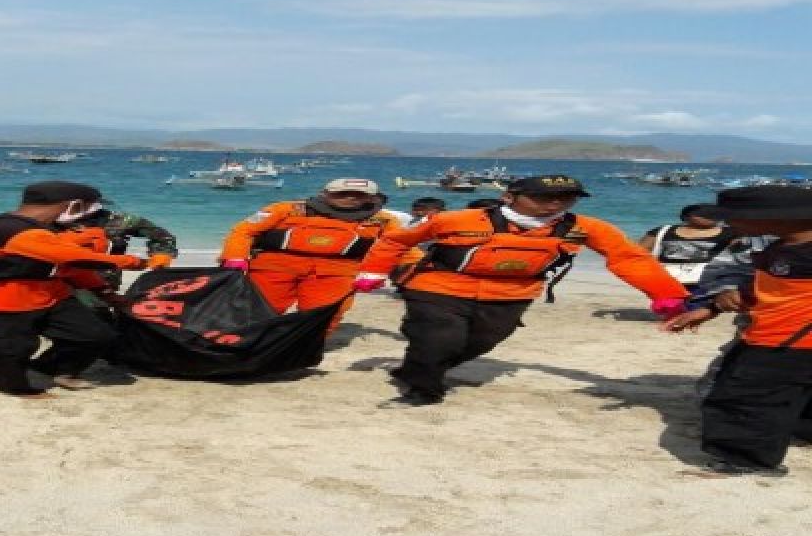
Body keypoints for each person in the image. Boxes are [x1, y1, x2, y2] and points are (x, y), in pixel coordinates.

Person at [354, 174, 689, 405]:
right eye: (542, 198)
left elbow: (628, 257)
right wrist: (373, 271)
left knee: (481, 342)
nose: (554, 204)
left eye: (566, 198)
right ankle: (424, 390)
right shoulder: (457, 220)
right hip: (439, 286)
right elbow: (396, 240)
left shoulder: (584, 228)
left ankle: (415, 368)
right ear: (509, 197)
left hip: (512, 294)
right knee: (440, 337)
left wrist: (665, 292)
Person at [0, 181, 144, 397]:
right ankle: (17, 389)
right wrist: (134, 262)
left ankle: (51, 367)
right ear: (74, 206)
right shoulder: (10, 230)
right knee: (4, 352)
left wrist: (104, 292)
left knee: (95, 335)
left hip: (47, 296)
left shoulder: (34, 228)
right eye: (89, 208)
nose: (90, 216)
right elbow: (76, 258)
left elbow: (66, 267)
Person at [663, 185, 812, 477]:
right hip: (769, 333)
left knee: (743, 397)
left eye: (734, 218)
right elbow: (760, 288)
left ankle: (746, 460)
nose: (727, 224)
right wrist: (713, 307)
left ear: (781, 219)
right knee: (790, 396)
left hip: (786, 342)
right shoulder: (777, 248)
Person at [218, 178, 406, 333]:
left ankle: (302, 351)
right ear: (325, 193)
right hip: (273, 268)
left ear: (372, 198)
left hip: (337, 273)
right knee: (255, 313)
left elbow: (397, 246)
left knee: (322, 318)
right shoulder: (285, 209)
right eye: (342, 194)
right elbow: (243, 231)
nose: (351, 198)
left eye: (360, 195)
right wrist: (235, 256)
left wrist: (377, 272)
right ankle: (245, 345)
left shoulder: (384, 220)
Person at [639, 204, 738, 291]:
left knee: (698, 305)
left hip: (706, 278)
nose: (710, 216)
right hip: (667, 277)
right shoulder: (664, 231)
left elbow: (738, 255)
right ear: (687, 216)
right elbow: (639, 252)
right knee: (670, 306)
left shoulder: (730, 233)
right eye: (705, 214)